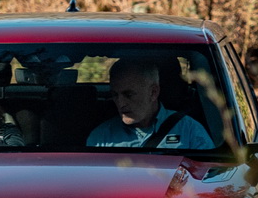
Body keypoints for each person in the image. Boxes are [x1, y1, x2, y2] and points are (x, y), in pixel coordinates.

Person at [85, 56, 213, 150]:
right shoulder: (101, 137)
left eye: (128, 94)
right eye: (114, 95)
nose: (120, 103)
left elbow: (210, 177)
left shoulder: (189, 130)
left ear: (153, 92)